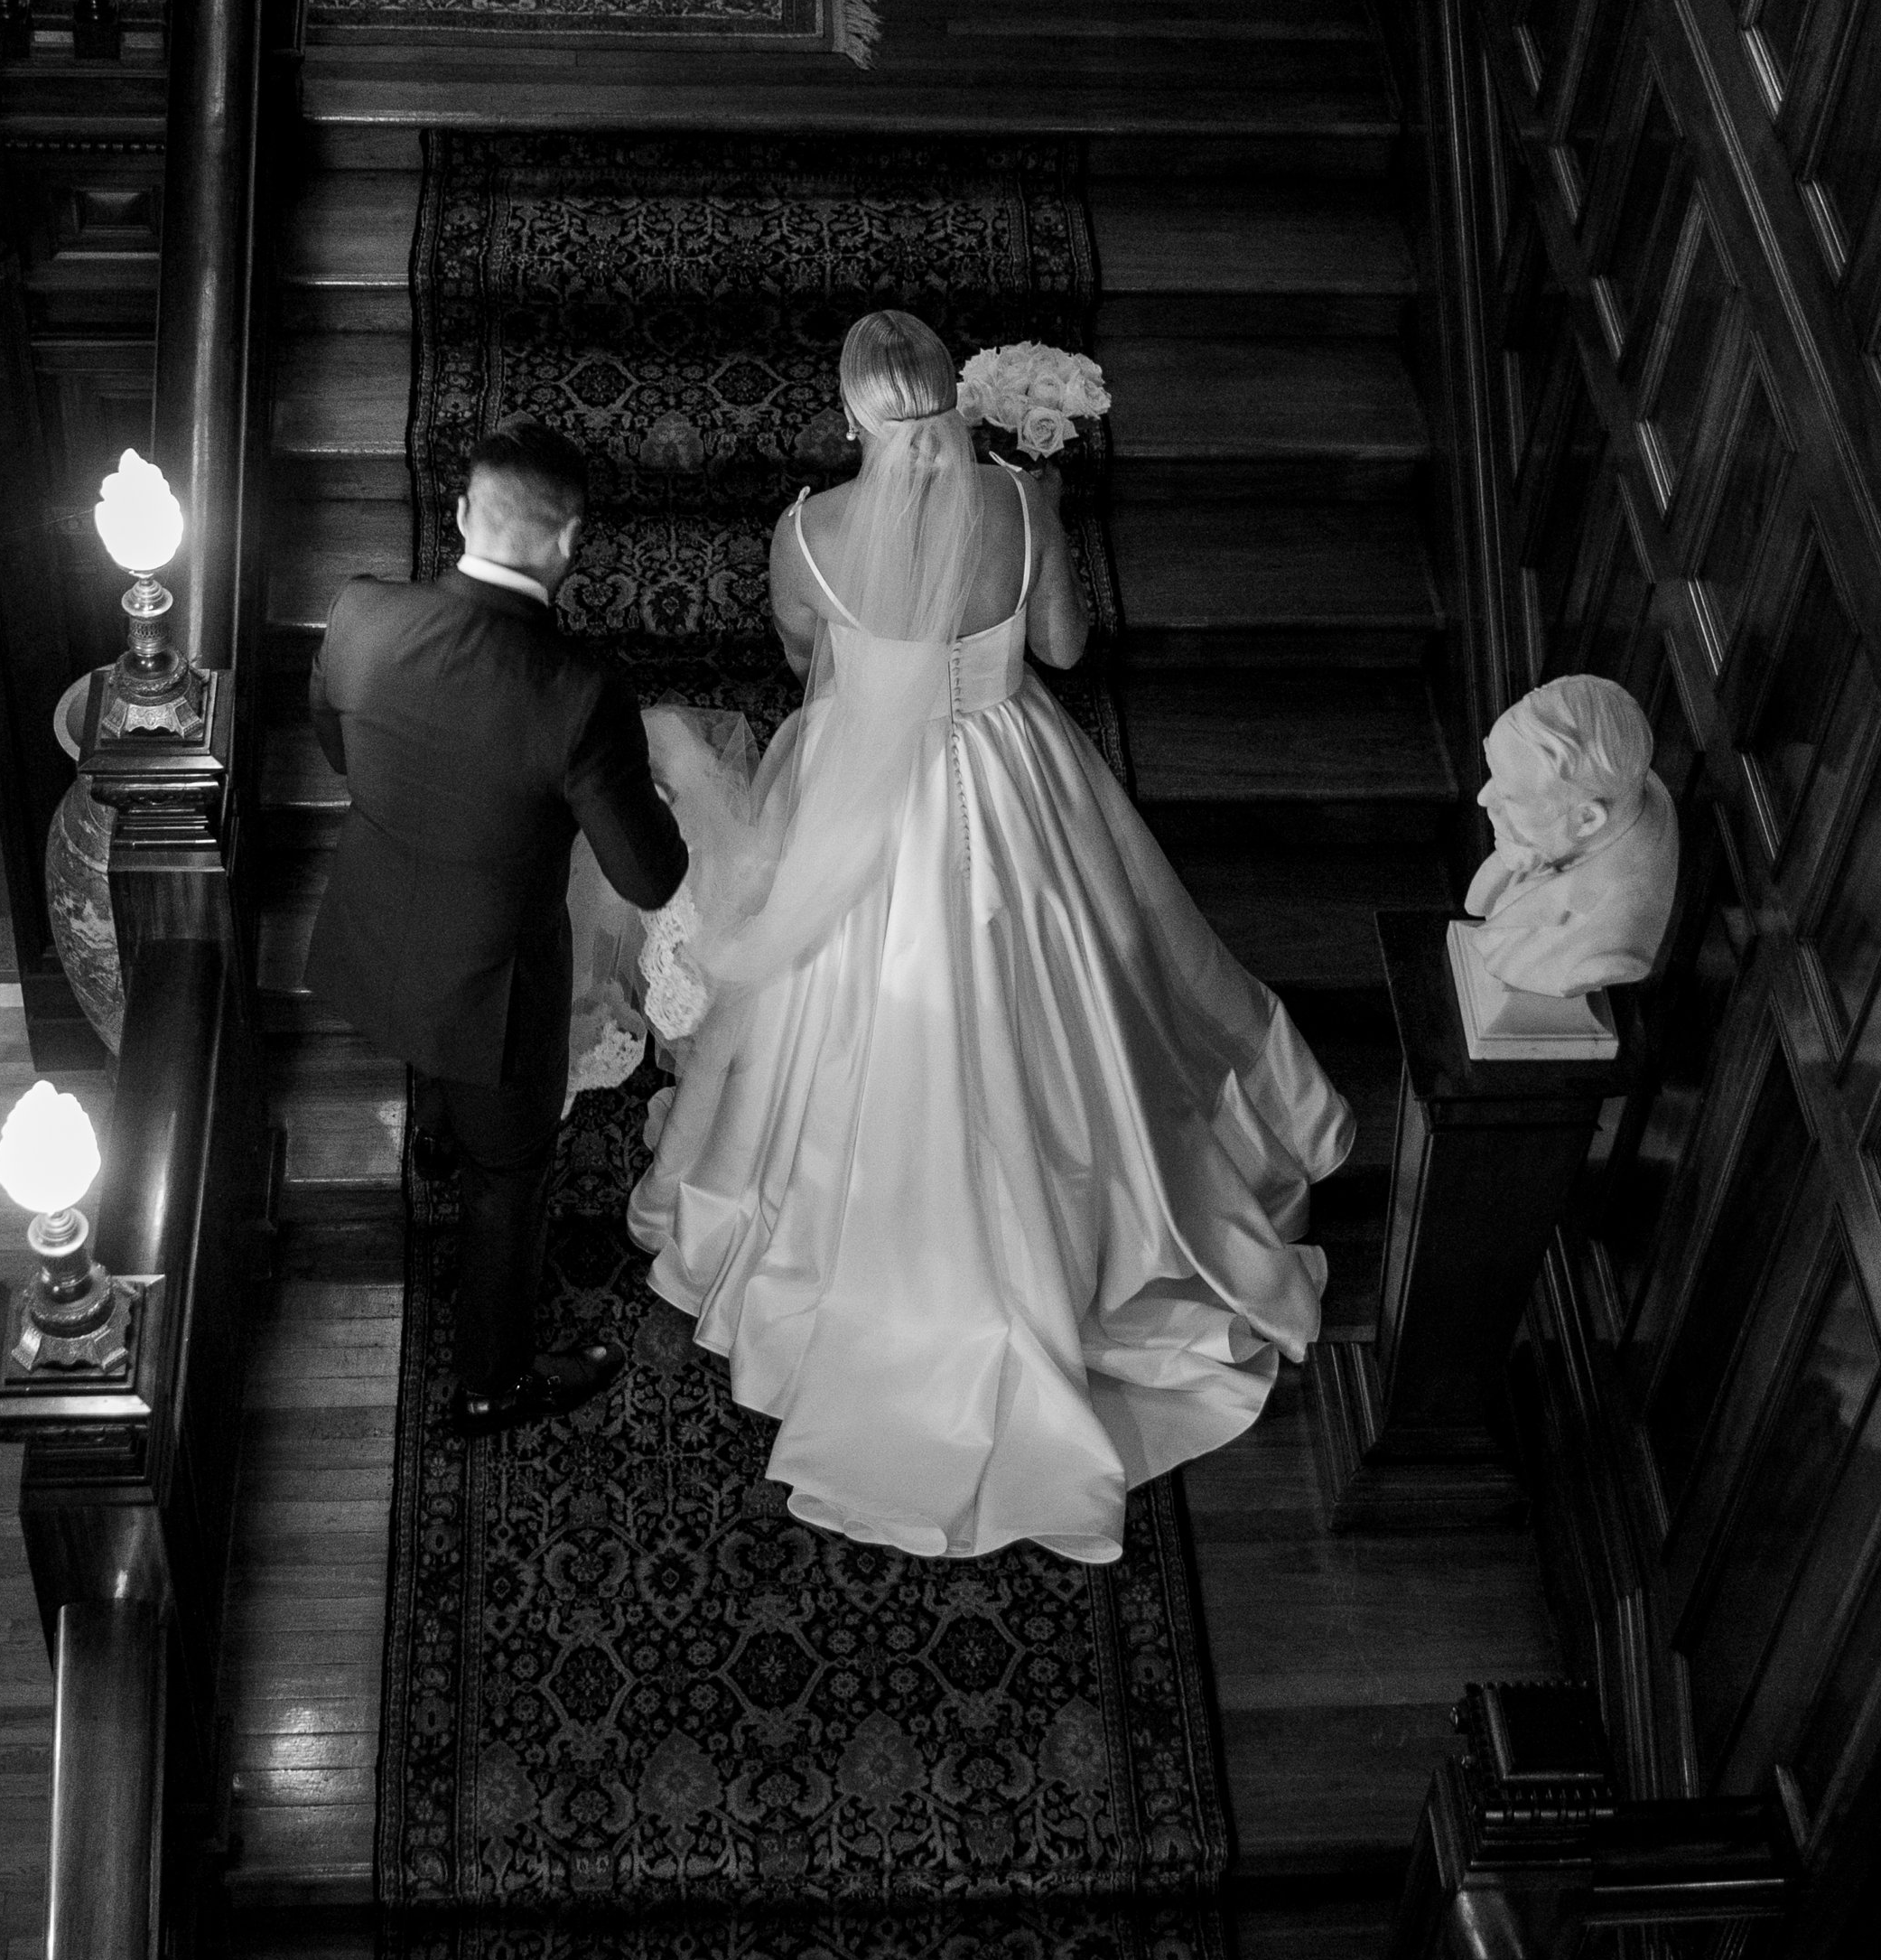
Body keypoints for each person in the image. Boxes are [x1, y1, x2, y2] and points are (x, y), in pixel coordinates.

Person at [612, 309, 1355, 1566]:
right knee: (1075, 999)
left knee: (827, 1028)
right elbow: (1061, 646)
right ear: (955, 402)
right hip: (1018, 781)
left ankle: (852, 1257)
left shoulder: (805, 532)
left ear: (852, 417)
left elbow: (813, 667)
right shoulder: (1018, 502)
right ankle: (1097, 1234)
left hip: (867, 791)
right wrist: (1036, 521)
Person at [307, 416, 687, 1437]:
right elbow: (648, 876)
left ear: (466, 515)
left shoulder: (359, 614)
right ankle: (492, 1380)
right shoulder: (578, 692)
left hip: (379, 929)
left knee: (445, 1080)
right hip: (495, 986)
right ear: (569, 546)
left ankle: (434, 1132)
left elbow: (339, 750)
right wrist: (642, 796)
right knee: (508, 1181)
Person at [1461, 675, 1679, 995]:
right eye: (1496, 773)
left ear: (1587, 819)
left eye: (1511, 797)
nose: (1484, 797)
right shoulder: (1611, 783)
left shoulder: (1610, 951)